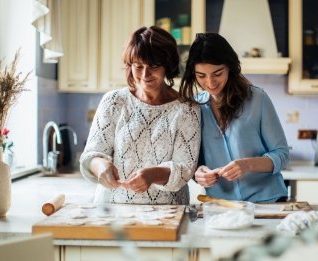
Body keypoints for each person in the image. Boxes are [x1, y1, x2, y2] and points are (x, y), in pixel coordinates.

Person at [80, 26, 201, 204]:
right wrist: (101, 166)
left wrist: (152, 175)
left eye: (153, 66)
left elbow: (185, 169)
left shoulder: (187, 109)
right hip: (112, 209)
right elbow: (91, 155)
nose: (145, 74)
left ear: (167, 66)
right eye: (138, 66)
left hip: (167, 213)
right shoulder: (114, 101)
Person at [179, 33, 289, 203]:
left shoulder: (258, 99)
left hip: (268, 202)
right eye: (201, 76)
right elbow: (196, 163)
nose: (210, 82)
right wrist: (199, 174)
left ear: (229, 67)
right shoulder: (195, 109)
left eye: (217, 73)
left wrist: (247, 164)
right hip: (222, 207)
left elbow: (281, 155)